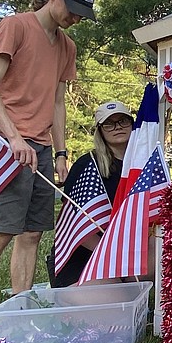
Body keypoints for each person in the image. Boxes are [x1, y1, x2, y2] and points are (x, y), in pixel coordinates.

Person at [0, 0, 96, 343]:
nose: (74, 18)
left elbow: (57, 103)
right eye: (70, 9)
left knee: (33, 234)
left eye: (80, 14)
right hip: (4, 144)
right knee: (1, 233)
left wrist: (60, 152)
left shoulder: (67, 47)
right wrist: (14, 137)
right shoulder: (15, 26)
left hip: (38, 147)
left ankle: (20, 313)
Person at [46, 101, 133, 287]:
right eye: (109, 123)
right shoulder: (86, 166)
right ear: (100, 130)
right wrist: (113, 258)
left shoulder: (143, 165)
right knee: (115, 294)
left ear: (132, 124)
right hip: (84, 259)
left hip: (125, 251)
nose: (117, 127)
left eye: (123, 121)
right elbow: (75, 225)